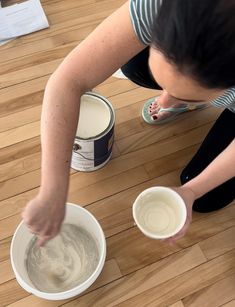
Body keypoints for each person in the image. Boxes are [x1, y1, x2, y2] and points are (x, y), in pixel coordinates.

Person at [22, 0, 235, 246]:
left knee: (206, 199)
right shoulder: (159, 5)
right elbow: (68, 81)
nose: (162, 100)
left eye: (184, 95)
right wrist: (53, 189)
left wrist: (191, 192)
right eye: (164, 86)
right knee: (134, 64)